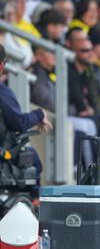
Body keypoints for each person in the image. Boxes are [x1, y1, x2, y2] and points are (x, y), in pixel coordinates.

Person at [0, 44, 52, 184]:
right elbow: (19, 123)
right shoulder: (3, 92)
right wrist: (39, 114)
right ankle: (34, 201)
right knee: (32, 160)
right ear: (1, 66)